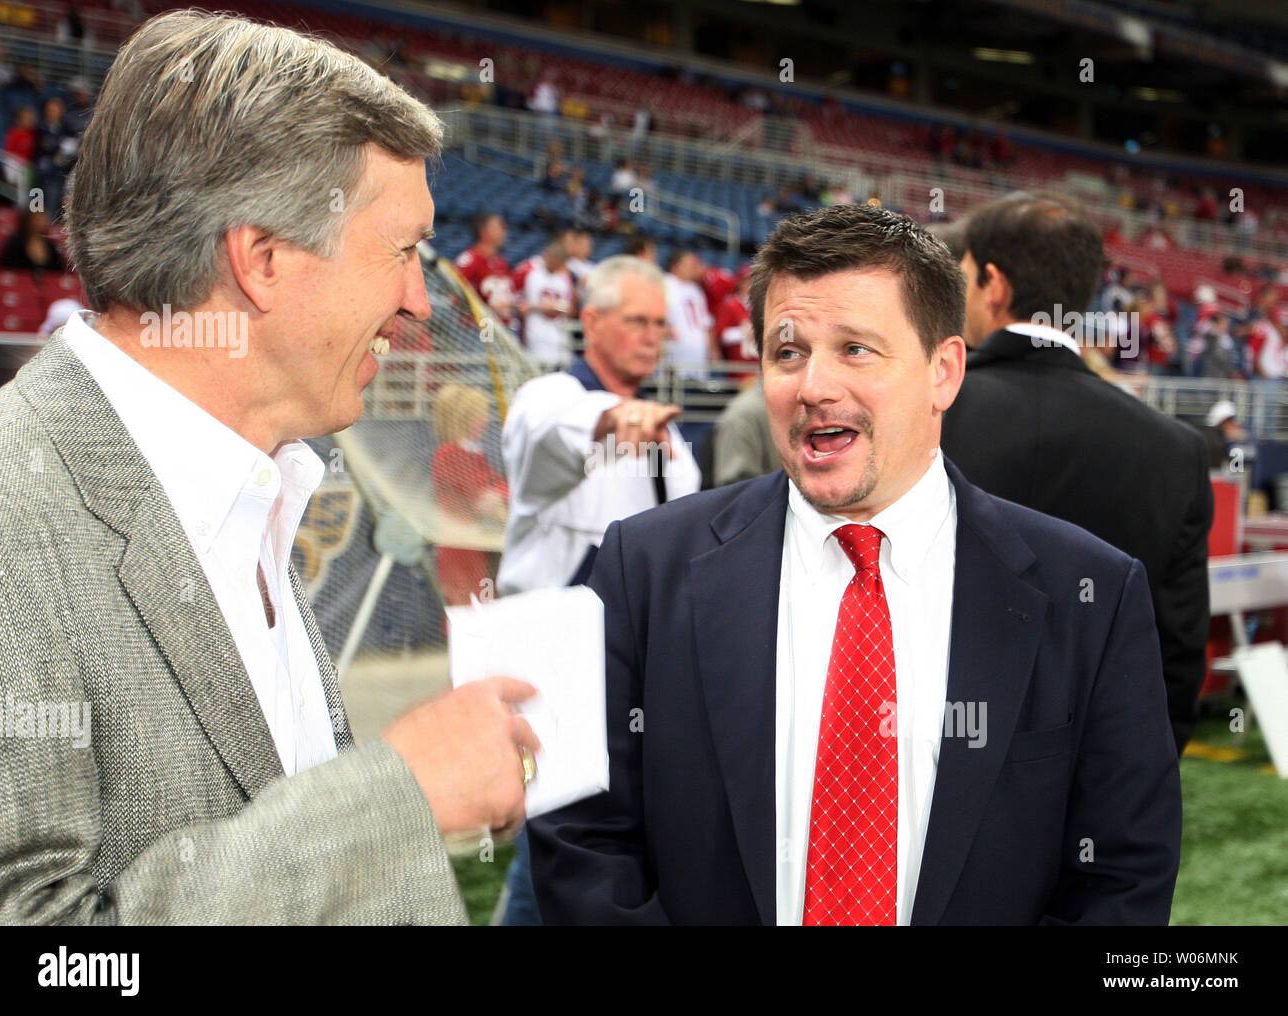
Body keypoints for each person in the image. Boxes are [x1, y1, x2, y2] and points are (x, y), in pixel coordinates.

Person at [0, 10, 538, 925]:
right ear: (265, 260)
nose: (415, 300)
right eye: (401, 250)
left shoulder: (252, 479)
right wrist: (394, 798)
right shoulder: (9, 507)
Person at [529, 203, 1181, 925]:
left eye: (855, 350)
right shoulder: (643, 567)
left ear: (943, 371)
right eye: (788, 351)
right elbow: (581, 837)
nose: (813, 386)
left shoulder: (1089, 593)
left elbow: (1122, 875)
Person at [942, 193, 1213, 753]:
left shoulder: (923, 414)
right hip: (1100, 769)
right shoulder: (1175, 450)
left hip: (935, 767)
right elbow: (1178, 655)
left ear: (993, 283)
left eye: (964, 277)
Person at [496, 255, 702, 923]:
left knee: (613, 846)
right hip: (553, 668)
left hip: (637, 674)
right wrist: (613, 422)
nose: (651, 335)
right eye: (636, 320)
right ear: (589, 321)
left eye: (660, 325)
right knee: (555, 852)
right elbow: (551, 430)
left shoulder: (669, 435)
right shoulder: (552, 397)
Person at [430, 383, 508, 608]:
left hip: (474, 544)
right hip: (460, 547)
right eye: (478, 415)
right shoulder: (452, 454)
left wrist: (500, 493)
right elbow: (482, 500)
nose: (485, 420)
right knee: (468, 610)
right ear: (463, 419)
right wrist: (502, 493)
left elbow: (496, 490)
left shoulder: (471, 453)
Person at [519, 241, 575, 367]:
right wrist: (541, 306)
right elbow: (521, 305)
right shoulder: (531, 273)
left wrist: (548, 306)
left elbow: (568, 309)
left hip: (557, 336)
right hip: (534, 335)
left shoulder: (563, 279)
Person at [454, 212, 516, 327]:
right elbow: (455, 293)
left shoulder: (500, 262)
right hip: (478, 327)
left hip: (501, 328)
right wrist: (483, 307)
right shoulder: (470, 260)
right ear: (483, 231)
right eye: (499, 227)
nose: (504, 232)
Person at [664, 250, 716, 380]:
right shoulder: (664, 284)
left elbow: (705, 324)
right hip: (674, 352)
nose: (694, 268)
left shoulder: (696, 290)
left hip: (698, 354)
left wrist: (712, 349)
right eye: (690, 264)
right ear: (676, 265)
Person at [0, 208, 64, 271]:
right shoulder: (15, 243)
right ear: (28, 220)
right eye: (37, 219)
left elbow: (58, 271)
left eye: (43, 219)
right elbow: (8, 268)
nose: (41, 222)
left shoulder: (50, 246)